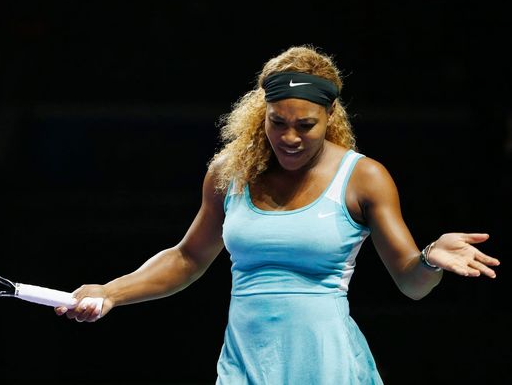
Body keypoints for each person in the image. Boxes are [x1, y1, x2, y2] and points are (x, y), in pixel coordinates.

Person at [54, 45, 500, 384]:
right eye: (276, 121)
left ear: (329, 116)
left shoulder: (365, 178)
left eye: (305, 125)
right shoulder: (228, 174)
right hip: (244, 364)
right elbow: (188, 258)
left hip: (329, 367)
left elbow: (411, 282)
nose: (289, 137)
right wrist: (110, 291)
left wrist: (429, 258)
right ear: (261, 114)